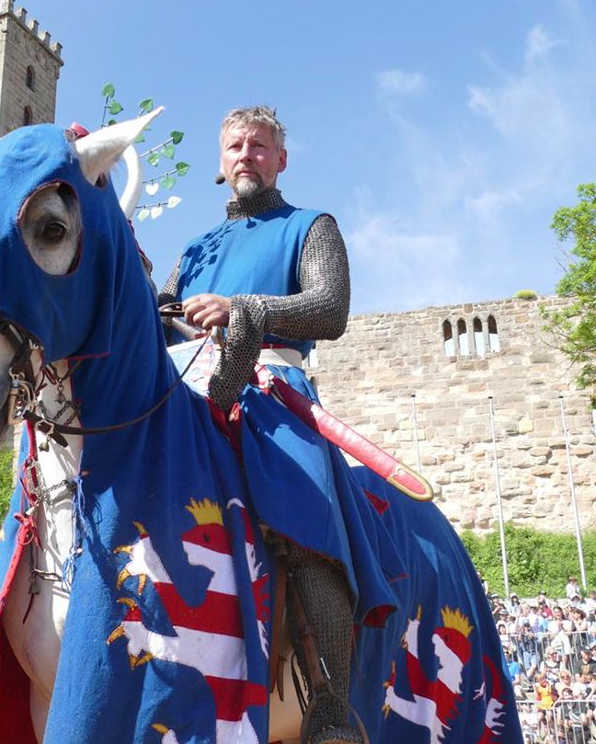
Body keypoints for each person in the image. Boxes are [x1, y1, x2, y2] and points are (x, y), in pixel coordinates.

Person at [156, 106, 357, 744]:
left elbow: (330, 308)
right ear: (221, 164)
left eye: (260, 145)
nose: (246, 154)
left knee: (302, 518)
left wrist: (244, 308)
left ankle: (328, 705)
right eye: (236, 146)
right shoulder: (194, 249)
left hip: (273, 390)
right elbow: (156, 320)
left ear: (280, 159)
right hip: (187, 391)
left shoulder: (309, 226)